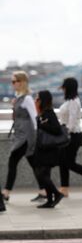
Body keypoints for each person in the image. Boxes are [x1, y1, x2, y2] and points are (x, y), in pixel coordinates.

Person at [2, 71, 46, 202]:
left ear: (22, 82)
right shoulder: (18, 97)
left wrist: (35, 139)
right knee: (34, 164)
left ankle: (6, 192)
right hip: (20, 135)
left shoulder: (27, 99)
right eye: (12, 81)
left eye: (14, 81)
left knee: (13, 161)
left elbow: (34, 119)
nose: (12, 84)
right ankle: (44, 191)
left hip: (26, 137)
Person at [32, 90, 65, 208]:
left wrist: (41, 124)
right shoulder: (41, 113)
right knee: (44, 174)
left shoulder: (49, 113)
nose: (35, 100)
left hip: (48, 149)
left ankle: (56, 194)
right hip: (43, 148)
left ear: (42, 100)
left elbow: (56, 129)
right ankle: (50, 200)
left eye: (37, 99)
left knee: (41, 174)